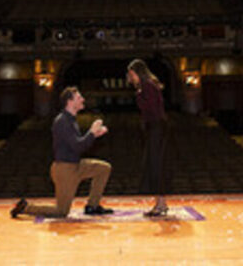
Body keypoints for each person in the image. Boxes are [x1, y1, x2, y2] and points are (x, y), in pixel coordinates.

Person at [11, 86, 114, 218]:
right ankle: (26, 207)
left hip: (75, 165)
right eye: (79, 98)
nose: (83, 99)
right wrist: (92, 133)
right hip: (64, 170)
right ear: (70, 102)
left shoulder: (70, 120)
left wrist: (94, 135)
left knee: (103, 168)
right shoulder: (62, 121)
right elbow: (78, 146)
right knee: (61, 211)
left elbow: (78, 144)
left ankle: (92, 206)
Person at [126, 58, 169, 217]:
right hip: (155, 128)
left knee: (155, 164)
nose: (131, 78)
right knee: (154, 164)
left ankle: (160, 204)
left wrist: (138, 95)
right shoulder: (148, 85)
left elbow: (149, 108)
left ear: (138, 73)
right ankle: (161, 203)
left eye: (132, 74)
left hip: (156, 127)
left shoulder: (147, 87)